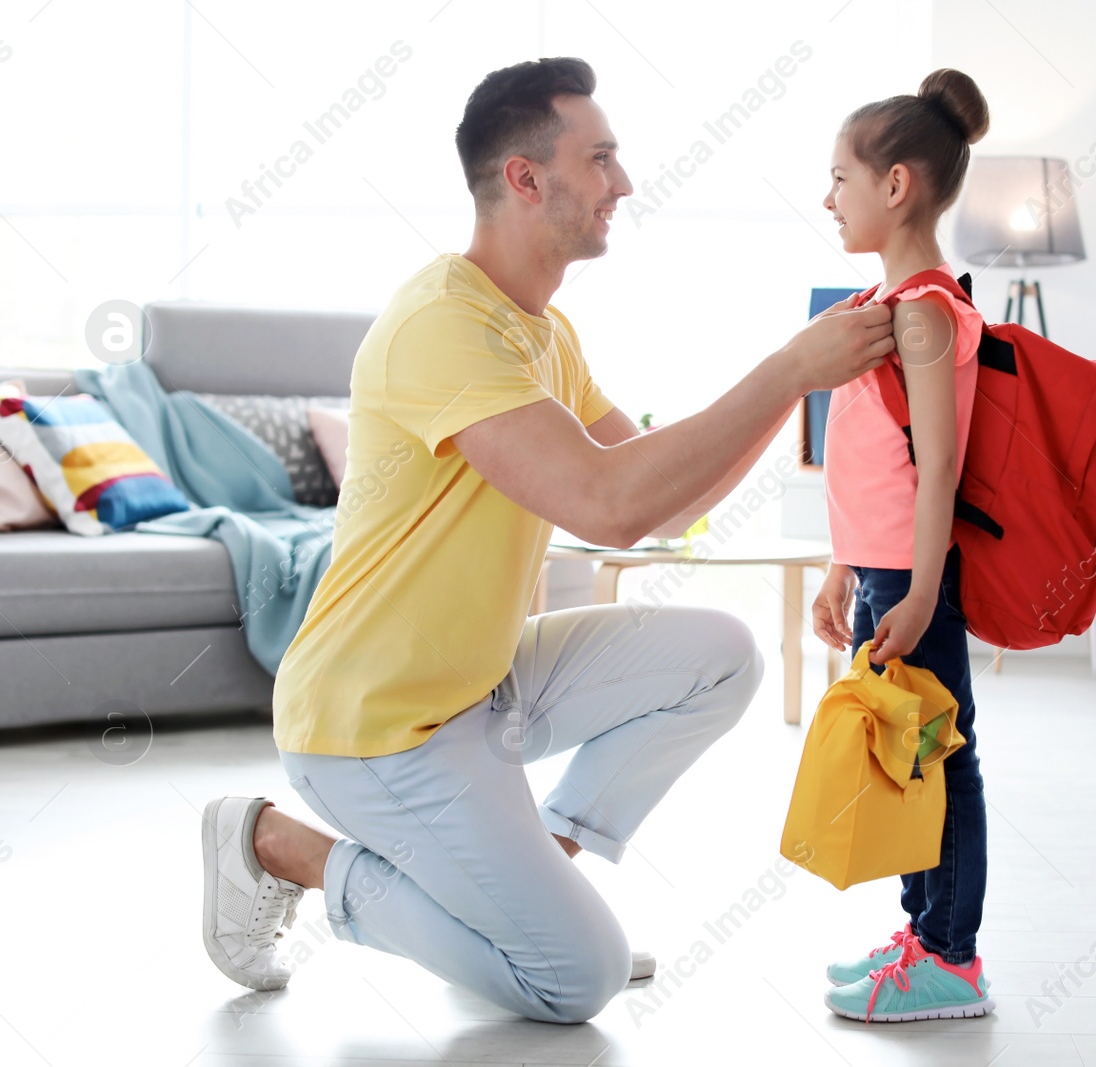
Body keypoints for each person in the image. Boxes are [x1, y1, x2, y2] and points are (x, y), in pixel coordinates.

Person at [197, 56, 895, 1024]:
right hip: (371, 729)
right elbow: (602, 506)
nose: (624, 182)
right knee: (573, 981)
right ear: (526, 178)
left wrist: (800, 386)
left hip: (480, 686)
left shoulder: (544, 331)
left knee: (721, 655)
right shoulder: (445, 321)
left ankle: (533, 889)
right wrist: (786, 372)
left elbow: (659, 504)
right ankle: (274, 844)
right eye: (600, 157)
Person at [808, 68, 995, 1023]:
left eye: (840, 176)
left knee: (941, 753)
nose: (827, 195)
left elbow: (938, 468)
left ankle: (953, 962)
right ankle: (923, 935)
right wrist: (847, 565)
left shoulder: (922, 308)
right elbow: (872, 459)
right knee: (905, 750)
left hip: (913, 578)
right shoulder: (887, 305)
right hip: (880, 571)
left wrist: (920, 591)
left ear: (896, 186)